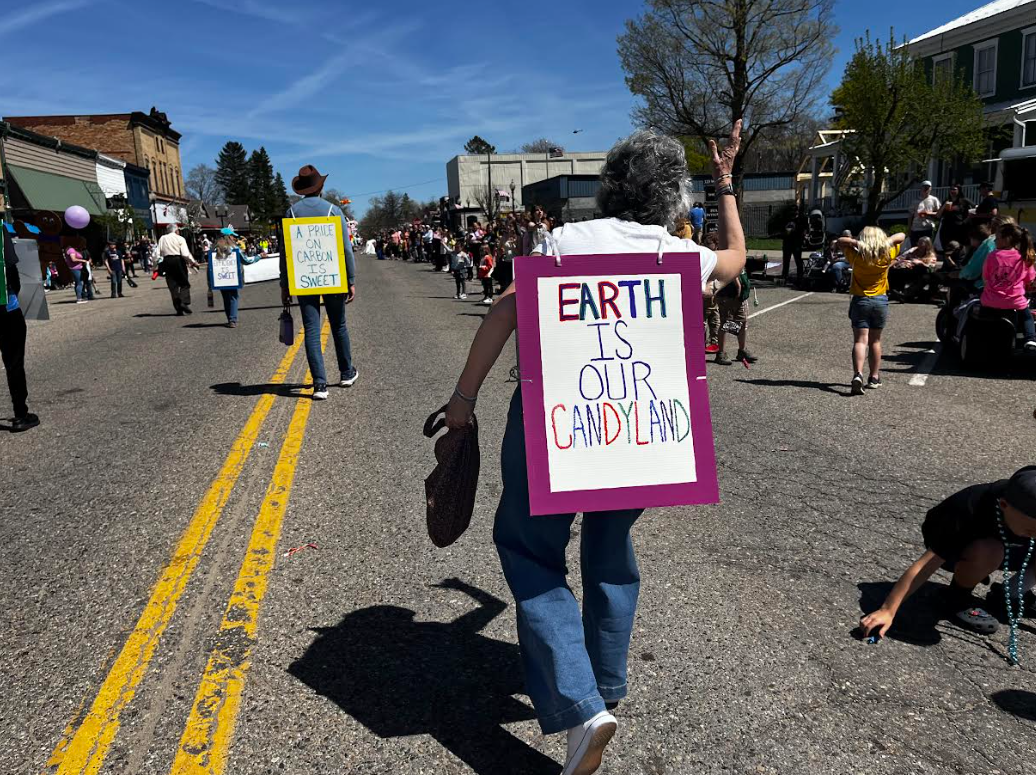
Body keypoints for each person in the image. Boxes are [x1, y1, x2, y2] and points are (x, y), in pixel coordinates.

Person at [444, 123, 746, 775]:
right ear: (673, 199)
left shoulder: (565, 240)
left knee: (530, 550)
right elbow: (736, 258)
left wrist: (464, 399)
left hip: (557, 419)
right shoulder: (680, 255)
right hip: (636, 424)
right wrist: (726, 184)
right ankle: (604, 685)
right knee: (611, 553)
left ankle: (583, 709)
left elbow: (503, 311)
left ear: (612, 187)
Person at [860, 468, 1036, 658]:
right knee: (990, 551)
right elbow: (926, 565)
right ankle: (956, 598)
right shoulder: (968, 511)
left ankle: (1011, 594)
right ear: (1004, 505)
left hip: (1012, 545)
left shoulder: (1023, 518)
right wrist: (887, 610)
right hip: (964, 546)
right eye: (1031, 529)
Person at [279, 165, 358, 401]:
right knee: (339, 325)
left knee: (312, 330)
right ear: (320, 187)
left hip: (304, 278)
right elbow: (346, 249)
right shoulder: (333, 211)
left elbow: (285, 253)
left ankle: (320, 384)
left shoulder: (291, 213)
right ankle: (346, 372)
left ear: (302, 189)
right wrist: (350, 279)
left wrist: (285, 284)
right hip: (331, 274)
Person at [832, 227, 906, 394]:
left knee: (860, 341)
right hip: (880, 300)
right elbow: (901, 235)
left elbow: (840, 241)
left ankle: (858, 374)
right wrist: (884, 242)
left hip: (860, 300)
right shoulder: (887, 254)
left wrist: (858, 243)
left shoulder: (857, 256)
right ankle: (874, 377)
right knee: (875, 341)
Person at [1, 231, 40, 432]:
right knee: (14, 363)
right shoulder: (0, 230)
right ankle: (20, 415)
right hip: (6, 309)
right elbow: (11, 269)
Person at [980, 221, 1036, 351]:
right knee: (1027, 317)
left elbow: (985, 279)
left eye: (997, 238)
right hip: (1014, 301)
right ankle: (1030, 339)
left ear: (1006, 240)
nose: (994, 242)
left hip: (991, 301)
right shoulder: (1023, 258)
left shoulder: (992, 256)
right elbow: (1029, 279)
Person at [714, 268, 756, 365]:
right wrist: (738, 286)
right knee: (726, 323)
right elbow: (730, 271)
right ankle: (721, 353)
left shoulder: (740, 256)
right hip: (728, 295)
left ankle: (742, 351)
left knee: (743, 322)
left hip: (740, 297)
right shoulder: (729, 255)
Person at [157, 224, 198, 315]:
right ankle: (183, 302)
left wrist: (155, 265)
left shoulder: (162, 238)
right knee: (184, 283)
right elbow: (185, 253)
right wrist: (192, 262)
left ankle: (178, 309)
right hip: (178, 260)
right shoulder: (180, 238)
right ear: (176, 231)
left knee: (173, 286)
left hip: (166, 261)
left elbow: (157, 253)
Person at [208, 228, 245, 328]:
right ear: (228, 237)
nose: (234, 238)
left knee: (226, 298)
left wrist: (209, 281)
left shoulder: (213, 249)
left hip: (220, 278)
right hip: (232, 277)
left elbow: (210, 266)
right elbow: (245, 260)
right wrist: (259, 256)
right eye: (232, 236)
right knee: (233, 297)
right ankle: (232, 320)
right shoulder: (234, 248)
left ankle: (230, 319)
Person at [888, 236, 937, 302]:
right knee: (894, 270)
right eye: (918, 242)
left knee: (925, 277)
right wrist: (891, 265)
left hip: (922, 272)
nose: (918, 244)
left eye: (921, 243)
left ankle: (905, 295)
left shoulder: (931, 255)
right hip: (910, 270)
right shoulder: (913, 249)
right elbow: (901, 257)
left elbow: (931, 268)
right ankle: (894, 291)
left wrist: (921, 263)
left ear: (927, 245)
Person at [936, 184, 972, 253]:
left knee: (958, 249)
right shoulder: (946, 201)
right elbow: (938, 215)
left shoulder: (964, 201)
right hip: (946, 229)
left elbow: (973, 210)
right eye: (951, 189)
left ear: (959, 190)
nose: (952, 191)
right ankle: (947, 261)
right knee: (947, 248)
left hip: (958, 229)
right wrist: (944, 206)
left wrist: (964, 222)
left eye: (954, 189)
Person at [908, 181, 940, 246]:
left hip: (928, 228)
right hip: (915, 228)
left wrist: (928, 213)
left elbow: (939, 213)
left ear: (930, 188)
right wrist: (909, 229)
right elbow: (910, 215)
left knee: (927, 248)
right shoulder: (915, 201)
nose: (926, 189)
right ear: (921, 188)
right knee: (915, 247)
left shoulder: (934, 200)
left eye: (928, 187)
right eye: (924, 187)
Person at [781, 207, 805, 285]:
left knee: (798, 261)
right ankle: (784, 277)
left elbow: (802, 232)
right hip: (787, 243)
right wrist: (786, 233)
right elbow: (782, 231)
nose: (794, 213)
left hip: (796, 244)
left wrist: (793, 231)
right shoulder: (786, 220)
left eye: (795, 212)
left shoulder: (800, 221)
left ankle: (800, 278)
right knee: (786, 261)